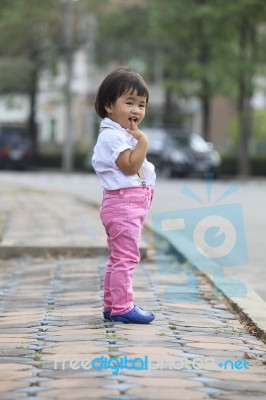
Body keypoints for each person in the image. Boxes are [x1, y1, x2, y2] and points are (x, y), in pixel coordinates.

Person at [92, 66, 156, 324]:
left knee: (118, 258)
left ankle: (112, 306)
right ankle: (122, 307)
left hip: (124, 204)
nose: (136, 111)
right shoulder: (112, 137)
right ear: (109, 105)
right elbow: (129, 165)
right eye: (129, 103)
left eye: (141, 105)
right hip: (124, 204)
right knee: (126, 258)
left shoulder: (119, 134)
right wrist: (143, 143)